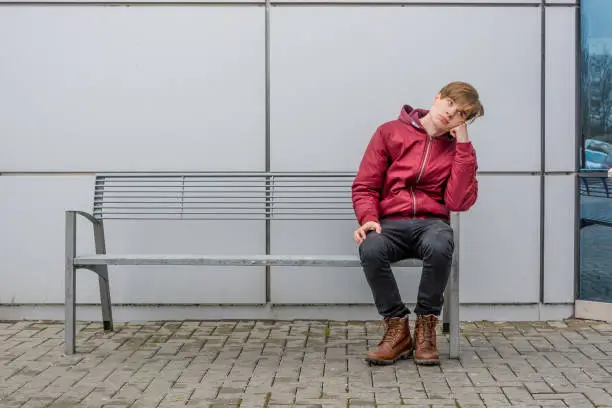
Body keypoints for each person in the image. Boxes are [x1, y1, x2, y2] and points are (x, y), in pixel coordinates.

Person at [351, 81, 484, 366]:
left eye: (461, 113)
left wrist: (463, 146)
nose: (451, 113)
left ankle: (426, 326)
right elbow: (365, 185)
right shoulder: (389, 132)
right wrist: (369, 219)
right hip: (390, 222)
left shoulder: (458, 150)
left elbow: (458, 202)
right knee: (371, 248)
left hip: (430, 223)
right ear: (438, 98)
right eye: (450, 103)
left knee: (441, 242)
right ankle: (397, 328)